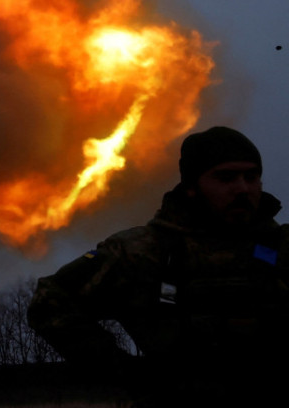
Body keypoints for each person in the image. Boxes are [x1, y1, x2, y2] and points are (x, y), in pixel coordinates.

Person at [28, 126, 289, 405]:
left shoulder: (282, 248)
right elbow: (50, 300)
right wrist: (126, 370)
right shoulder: (142, 251)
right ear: (192, 187)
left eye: (252, 177)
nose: (242, 188)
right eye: (226, 178)